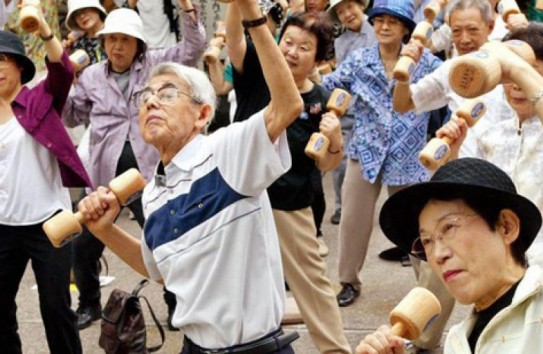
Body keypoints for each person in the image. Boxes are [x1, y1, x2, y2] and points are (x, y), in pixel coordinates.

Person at [77, 0, 304, 350]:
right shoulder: (153, 192)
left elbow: (287, 106)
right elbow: (160, 270)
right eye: (146, 97)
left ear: (202, 115)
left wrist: (252, 15)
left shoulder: (228, 152)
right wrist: (105, 230)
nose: (151, 102)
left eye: (167, 94)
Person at [62, 6, 205, 330]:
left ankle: (177, 305)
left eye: (125, 40)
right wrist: (64, 81)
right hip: (103, 177)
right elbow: (71, 115)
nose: (118, 46)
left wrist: (188, 10)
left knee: (166, 240)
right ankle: (89, 304)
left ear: (138, 43)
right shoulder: (92, 76)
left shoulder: (156, 67)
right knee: (83, 245)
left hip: (150, 176)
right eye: (112, 39)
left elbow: (193, 49)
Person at [227, 6, 351, 352]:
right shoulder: (256, 71)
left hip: (290, 205)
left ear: (319, 59)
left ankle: (335, 349)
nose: (292, 52)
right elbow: (235, 39)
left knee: (313, 285)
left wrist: (335, 138)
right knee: (235, 281)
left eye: (304, 47)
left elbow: (326, 165)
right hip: (239, 195)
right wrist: (240, 6)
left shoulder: (323, 101)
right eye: (288, 42)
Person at [322, 0, 442, 308]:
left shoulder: (424, 61)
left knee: (417, 225)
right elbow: (329, 85)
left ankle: (428, 289)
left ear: (405, 28)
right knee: (352, 220)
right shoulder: (359, 59)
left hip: (409, 155)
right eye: (379, 21)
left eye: (392, 21)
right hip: (365, 152)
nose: (384, 26)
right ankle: (348, 281)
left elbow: (449, 87)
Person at [356, 157, 543, 354]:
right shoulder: (457, 341)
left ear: (506, 226)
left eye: (449, 227)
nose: (437, 255)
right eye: (426, 241)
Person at [0, 15, 91, 354]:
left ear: (20, 67)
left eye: (2, 61)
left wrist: (46, 31)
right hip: (3, 225)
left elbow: (63, 71)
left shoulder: (38, 98)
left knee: (55, 308)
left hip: (49, 220)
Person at [434, 22, 543, 263]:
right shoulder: (493, 135)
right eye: (508, 76)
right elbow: (470, 200)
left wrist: (515, 67)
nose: (516, 85)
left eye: (528, 72)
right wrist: (452, 155)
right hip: (501, 265)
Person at [326, 0, 376, 225]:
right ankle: (341, 206)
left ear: (361, 5)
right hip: (349, 107)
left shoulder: (378, 28)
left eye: (349, 7)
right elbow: (341, 78)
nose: (347, 14)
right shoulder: (341, 41)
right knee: (342, 160)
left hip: (376, 107)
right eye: (340, 11)